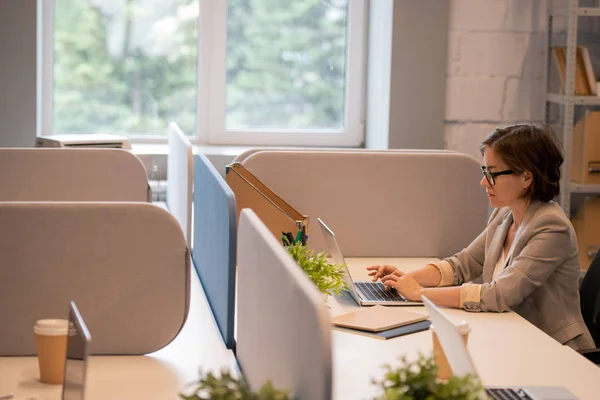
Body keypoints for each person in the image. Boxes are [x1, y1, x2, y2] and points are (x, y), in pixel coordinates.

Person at [368, 124, 595, 350]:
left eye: (493, 174)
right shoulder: (505, 213)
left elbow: (499, 294)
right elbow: (462, 265)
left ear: (527, 178)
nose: (484, 182)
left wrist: (421, 294)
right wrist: (406, 280)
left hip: (554, 350)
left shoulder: (551, 227)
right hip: (513, 337)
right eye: (484, 172)